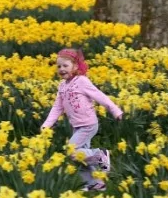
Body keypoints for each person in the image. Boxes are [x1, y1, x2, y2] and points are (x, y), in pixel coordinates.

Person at [41, 48, 123, 192]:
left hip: (88, 124)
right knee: (79, 158)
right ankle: (95, 184)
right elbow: (57, 107)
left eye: (65, 65)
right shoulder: (62, 86)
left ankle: (99, 155)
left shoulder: (82, 81)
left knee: (71, 151)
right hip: (77, 126)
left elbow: (99, 96)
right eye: (59, 66)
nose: (61, 69)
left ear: (75, 66)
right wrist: (47, 125)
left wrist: (114, 110)